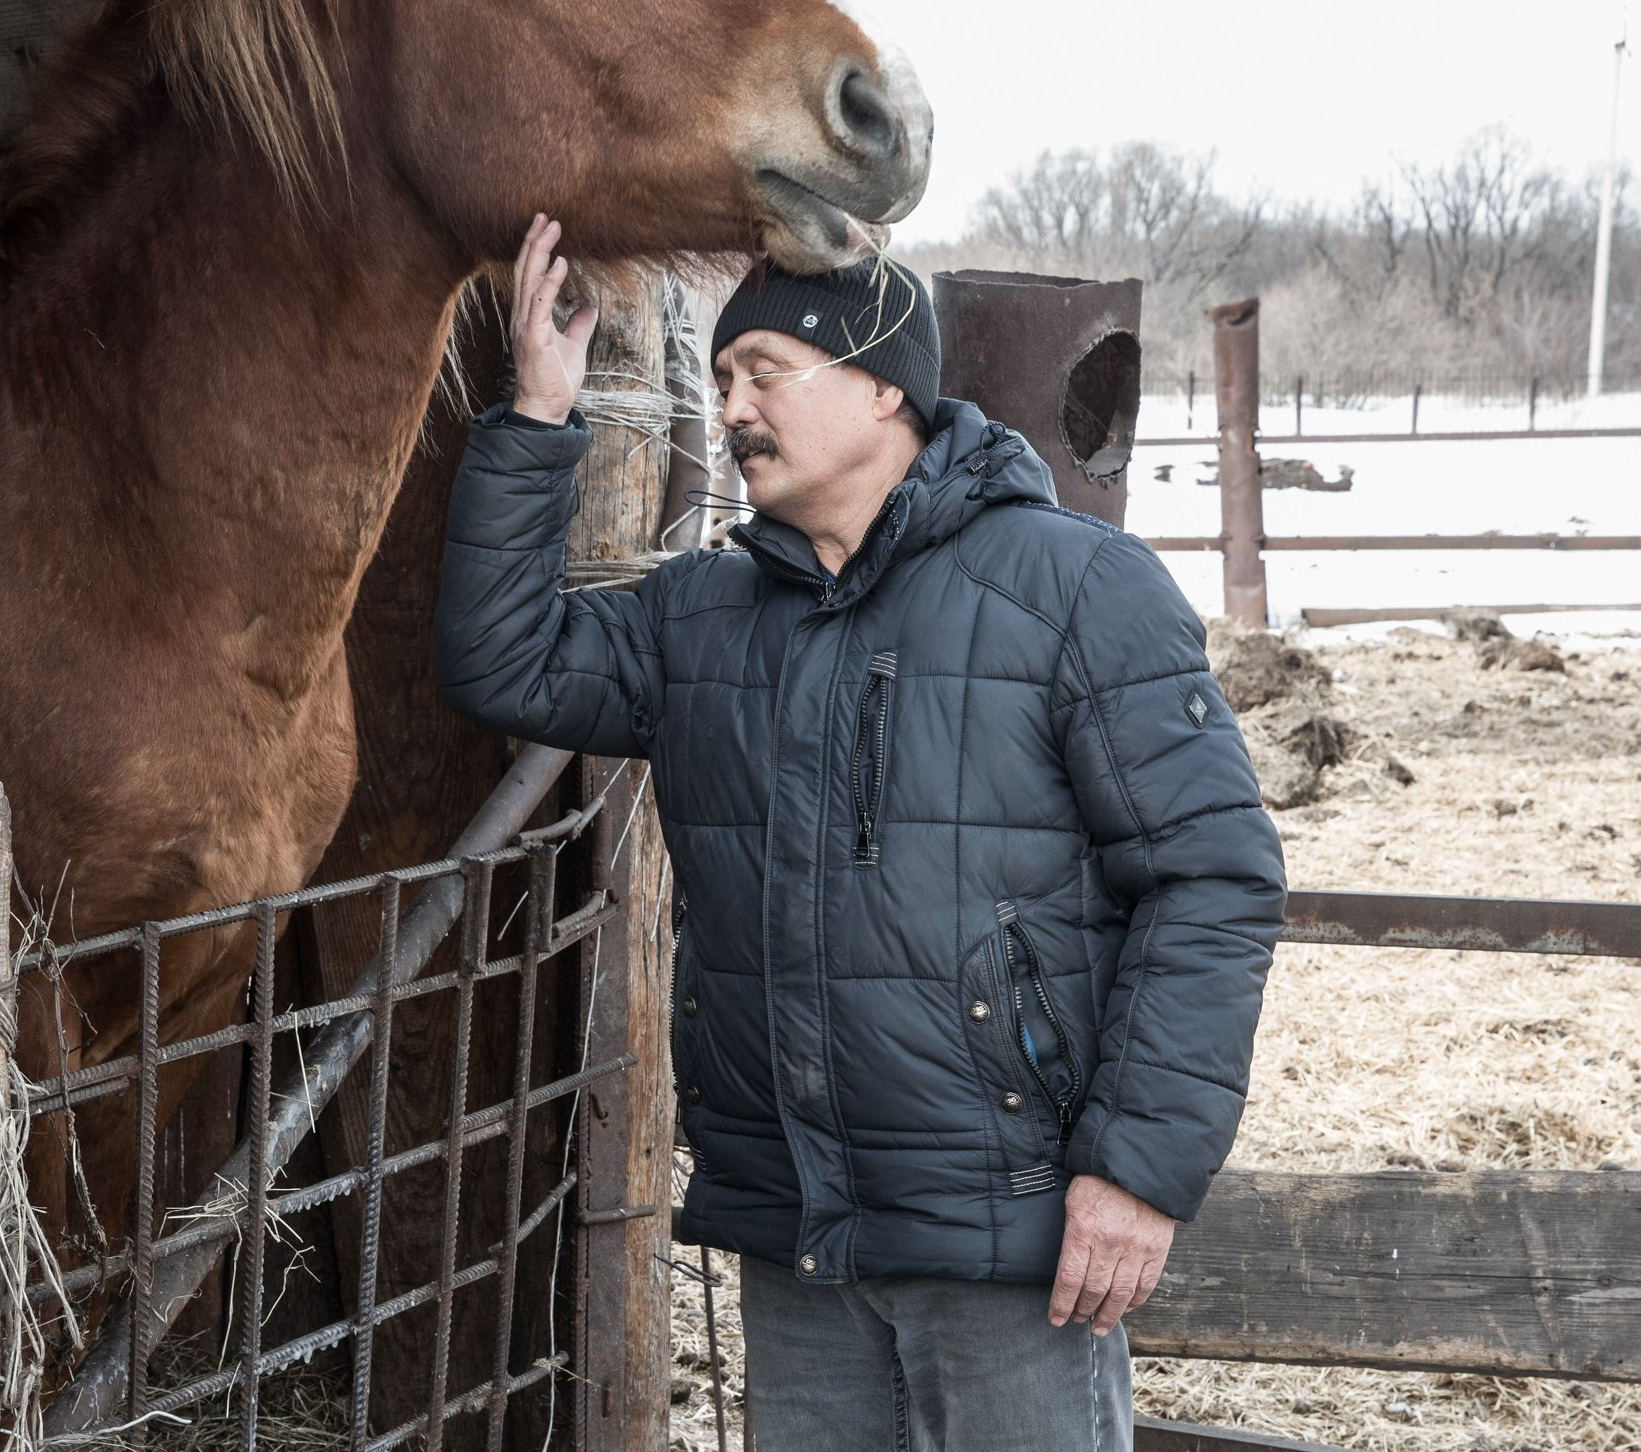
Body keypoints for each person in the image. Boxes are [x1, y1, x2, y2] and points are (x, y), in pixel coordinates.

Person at [433, 216, 1286, 1450]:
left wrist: (1136, 1169)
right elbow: (499, 661)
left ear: (885, 385)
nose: (732, 408)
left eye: (765, 371)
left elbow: (1211, 877)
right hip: (799, 1227)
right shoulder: (699, 614)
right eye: (722, 378)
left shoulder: (1073, 587)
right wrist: (537, 413)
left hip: (1012, 1231)